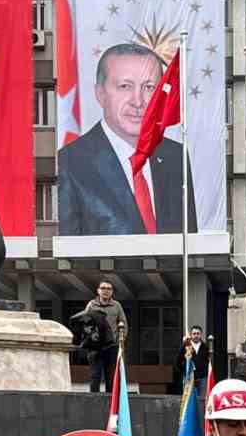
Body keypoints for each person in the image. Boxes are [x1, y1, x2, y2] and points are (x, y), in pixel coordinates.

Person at [58, 43, 198, 236]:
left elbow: (189, 244)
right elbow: (67, 249)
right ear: (100, 94)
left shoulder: (175, 157)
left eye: (149, 87)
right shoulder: (69, 163)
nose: (138, 102)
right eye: (125, 86)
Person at [81, 280, 127, 394]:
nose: (106, 291)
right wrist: (91, 338)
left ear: (112, 292)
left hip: (111, 347)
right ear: (98, 291)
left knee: (111, 377)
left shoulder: (117, 306)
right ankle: (93, 401)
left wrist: (119, 341)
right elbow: (84, 323)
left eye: (109, 288)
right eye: (103, 288)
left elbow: (123, 325)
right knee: (94, 376)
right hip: (95, 347)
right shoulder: (91, 305)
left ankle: (111, 403)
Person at [173, 326, 212, 394]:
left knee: (202, 398)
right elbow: (177, 361)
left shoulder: (205, 347)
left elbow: (208, 361)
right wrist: (184, 371)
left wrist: (205, 371)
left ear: (201, 335)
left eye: (198, 333)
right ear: (191, 335)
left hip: (202, 378)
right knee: (189, 398)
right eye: (194, 334)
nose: (196, 335)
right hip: (189, 377)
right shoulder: (186, 346)